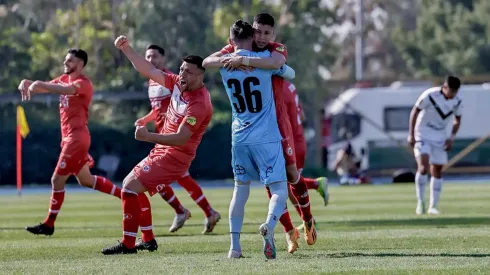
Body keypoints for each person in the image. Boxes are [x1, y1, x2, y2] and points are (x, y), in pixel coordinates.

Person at [203, 13, 317, 252]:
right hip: (267, 130)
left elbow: (279, 65)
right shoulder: (248, 52)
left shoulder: (275, 49)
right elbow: (287, 72)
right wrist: (241, 57)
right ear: (252, 32)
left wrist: (241, 59)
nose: (263, 37)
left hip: (261, 128)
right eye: (258, 32)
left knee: (290, 176)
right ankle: (287, 231)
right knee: (275, 185)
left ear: (273, 34)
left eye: (267, 33)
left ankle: (307, 219)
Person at [102, 35, 213, 255]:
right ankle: (148, 239)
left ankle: (128, 244)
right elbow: (148, 70)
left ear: (200, 76)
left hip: (175, 158)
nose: (182, 74)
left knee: (129, 187)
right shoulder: (177, 83)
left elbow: (181, 138)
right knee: (133, 188)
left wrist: (148, 136)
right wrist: (126, 49)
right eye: (181, 69)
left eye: (188, 72)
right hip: (163, 151)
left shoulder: (200, 103)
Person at [214, 20, 295, 259]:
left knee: (240, 191)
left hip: (239, 138)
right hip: (266, 137)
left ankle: (234, 248)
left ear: (230, 42)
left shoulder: (224, 64)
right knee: (280, 188)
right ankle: (270, 225)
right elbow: (289, 72)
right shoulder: (265, 63)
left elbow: (207, 62)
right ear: (252, 38)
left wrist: (233, 58)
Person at [19, 49, 122, 236]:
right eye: (65, 60)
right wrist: (27, 82)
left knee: (56, 180)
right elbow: (46, 87)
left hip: (76, 139)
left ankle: (49, 224)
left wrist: (38, 83)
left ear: (81, 64)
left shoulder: (83, 83)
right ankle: (126, 197)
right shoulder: (63, 79)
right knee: (86, 180)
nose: (65, 63)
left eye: (70, 61)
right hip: (69, 139)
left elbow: (66, 90)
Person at [138, 44, 220, 234]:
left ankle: (188, 211)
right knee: (174, 179)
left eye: (155, 57)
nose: (151, 60)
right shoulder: (152, 83)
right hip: (162, 137)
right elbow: (158, 109)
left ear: (163, 60)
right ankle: (199, 211)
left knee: (159, 179)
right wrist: (146, 119)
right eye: (148, 56)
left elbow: (183, 105)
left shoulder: (174, 80)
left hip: (174, 139)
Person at [408, 75, 463, 215]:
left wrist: (451, 137)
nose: (453, 94)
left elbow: (457, 120)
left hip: (440, 137)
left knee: (437, 170)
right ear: (445, 87)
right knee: (423, 167)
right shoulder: (430, 95)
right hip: (423, 133)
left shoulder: (457, 102)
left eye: (455, 92)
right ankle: (420, 202)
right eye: (451, 91)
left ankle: (433, 206)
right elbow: (415, 111)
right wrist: (411, 134)